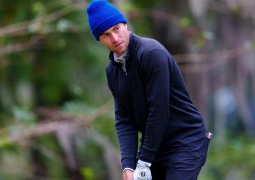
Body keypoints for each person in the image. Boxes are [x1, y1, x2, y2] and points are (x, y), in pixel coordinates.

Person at [86, 1, 212, 179]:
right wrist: (128, 166)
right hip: (155, 146)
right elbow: (124, 119)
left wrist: (144, 161)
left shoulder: (151, 53)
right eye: (106, 34)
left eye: (116, 29)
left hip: (185, 142)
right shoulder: (112, 70)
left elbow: (158, 110)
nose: (114, 38)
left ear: (125, 25)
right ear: (100, 40)